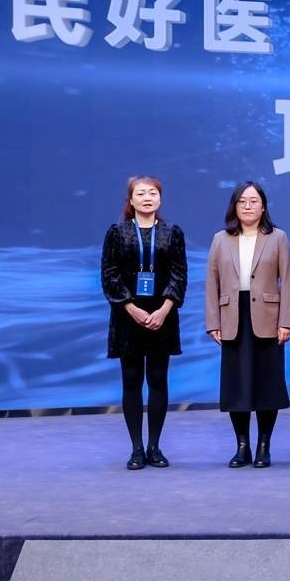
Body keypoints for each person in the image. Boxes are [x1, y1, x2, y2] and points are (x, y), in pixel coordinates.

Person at [204, 181, 290, 468]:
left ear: (263, 206)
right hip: (233, 316)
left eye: (254, 201)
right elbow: (211, 283)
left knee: (267, 384)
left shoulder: (277, 237)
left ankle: (264, 446)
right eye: (242, 201)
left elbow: (287, 281)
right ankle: (242, 446)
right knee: (237, 385)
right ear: (234, 206)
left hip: (268, 317)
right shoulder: (220, 239)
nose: (248, 206)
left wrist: (286, 321)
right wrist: (213, 322)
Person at [101, 175, 187, 470]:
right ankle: (136, 448)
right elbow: (109, 275)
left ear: (160, 198)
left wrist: (164, 309)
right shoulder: (118, 232)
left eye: (152, 193)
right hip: (128, 317)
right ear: (130, 200)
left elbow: (179, 275)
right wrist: (131, 308)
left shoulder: (172, 232)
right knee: (132, 381)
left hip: (162, 316)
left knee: (158, 380)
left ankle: (155, 446)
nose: (147, 198)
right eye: (141, 193)